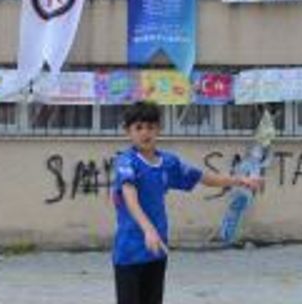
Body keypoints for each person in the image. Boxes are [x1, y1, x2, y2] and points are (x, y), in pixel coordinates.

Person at [111, 101, 261, 304]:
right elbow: (130, 196)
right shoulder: (127, 162)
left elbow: (203, 177)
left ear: (158, 129)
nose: (145, 133)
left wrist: (240, 180)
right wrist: (147, 229)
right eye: (138, 127)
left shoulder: (168, 163)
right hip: (129, 252)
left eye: (150, 127)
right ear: (128, 131)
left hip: (157, 249)